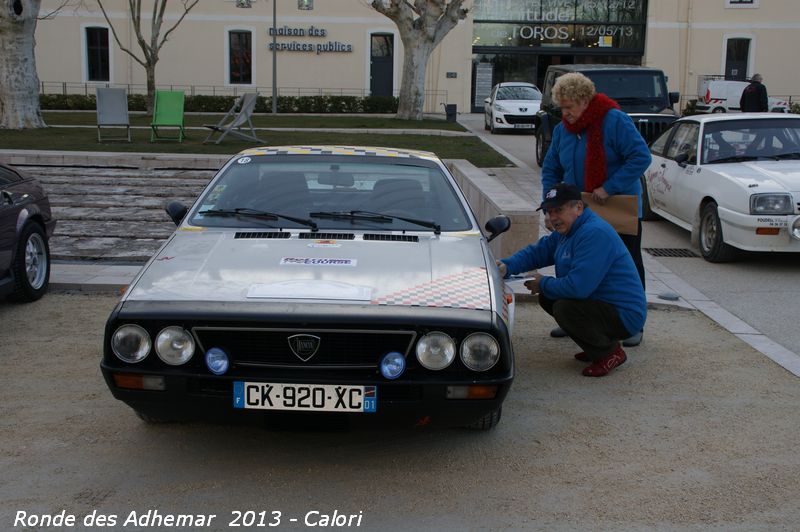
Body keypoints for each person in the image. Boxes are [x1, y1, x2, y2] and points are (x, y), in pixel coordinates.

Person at [540, 72, 651, 346]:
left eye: (570, 107)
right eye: (561, 108)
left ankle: (633, 323)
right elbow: (551, 167)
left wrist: (610, 186)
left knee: (628, 262)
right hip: (578, 209)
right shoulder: (561, 131)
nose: (565, 114)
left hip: (616, 207)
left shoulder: (614, 120)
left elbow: (640, 156)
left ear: (585, 101)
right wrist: (551, 206)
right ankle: (575, 317)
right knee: (571, 260)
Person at [497, 183, 646, 377]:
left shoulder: (593, 233)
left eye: (558, 210)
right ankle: (595, 345)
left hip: (625, 315)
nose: (552, 218)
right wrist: (507, 266)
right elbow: (538, 252)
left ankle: (610, 353)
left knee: (564, 308)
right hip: (603, 304)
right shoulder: (569, 229)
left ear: (578, 208)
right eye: (548, 212)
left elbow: (578, 288)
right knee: (550, 298)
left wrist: (542, 283)